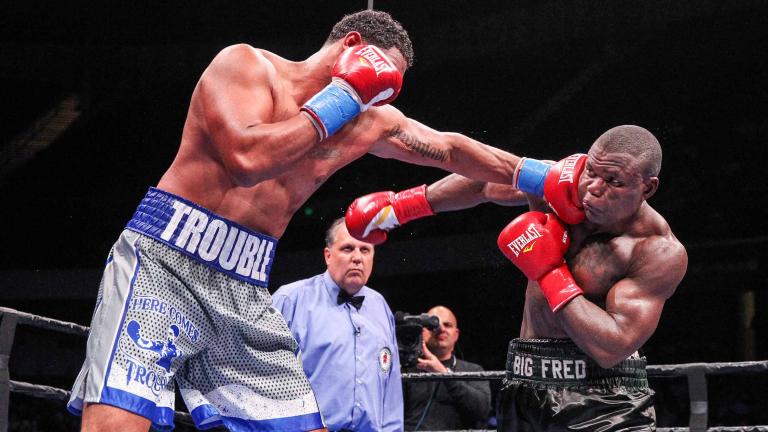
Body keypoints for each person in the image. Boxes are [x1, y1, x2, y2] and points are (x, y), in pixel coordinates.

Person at [66, 9, 543, 432]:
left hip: (246, 283)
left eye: (389, 88)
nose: (380, 96)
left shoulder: (368, 118)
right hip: (164, 261)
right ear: (352, 48)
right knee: (118, 419)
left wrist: (540, 175)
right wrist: (343, 95)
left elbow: (451, 148)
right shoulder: (247, 66)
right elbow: (246, 158)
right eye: (381, 79)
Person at [346, 125, 688, 430]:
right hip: (525, 382)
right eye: (592, 172)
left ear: (648, 188)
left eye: (613, 182)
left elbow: (612, 346)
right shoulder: (562, 185)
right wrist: (402, 208)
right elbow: (485, 181)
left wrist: (550, 271)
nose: (593, 189)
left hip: (603, 400)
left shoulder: (656, 251)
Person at [272, 218, 401, 431]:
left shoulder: (380, 306)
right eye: (348, 248)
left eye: (365, 250)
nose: (357, 258)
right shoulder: (290, 299)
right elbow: (262, 374)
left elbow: (391, 389)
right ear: (328, 255)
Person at [402, 306, 491, 431]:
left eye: (447, 325)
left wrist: (443, 373)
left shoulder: (473, 370)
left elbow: (482, 411)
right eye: (434, 324)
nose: (441, 328)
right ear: (423, 332)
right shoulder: (407, 369)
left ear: (456, 335)